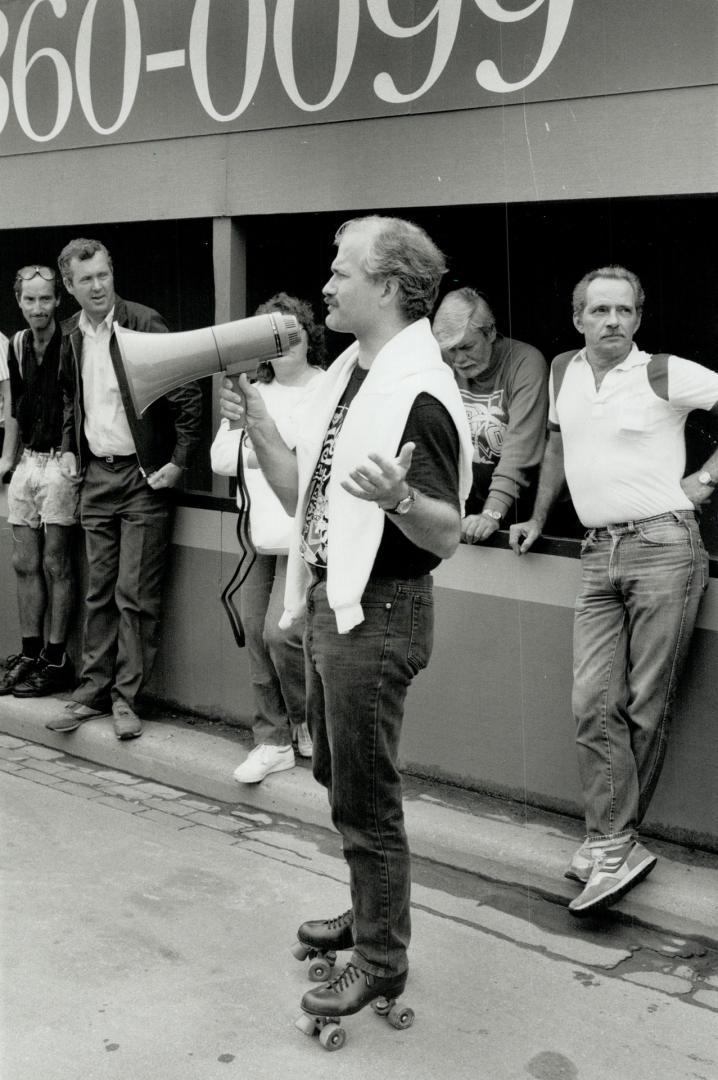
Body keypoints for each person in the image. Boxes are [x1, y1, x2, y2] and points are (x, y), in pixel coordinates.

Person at [219, 216, 472, 1022]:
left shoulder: (418, 394)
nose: (325, 286)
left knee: (365, 793)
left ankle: (381, 958)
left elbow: (448, 534)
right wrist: (256, 416)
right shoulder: (353, 375)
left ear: (389, 287)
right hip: (338, 602)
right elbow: (301, 496)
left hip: (383, 612)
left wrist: (399, 498)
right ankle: (371, 913)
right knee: (339, 776)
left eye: (340, 273)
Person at [509, 265, 718, 917]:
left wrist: (707, 478)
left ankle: (613, 841)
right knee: (591, 700)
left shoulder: (662, 371)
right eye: (600, 311)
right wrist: (540, 516)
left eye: (625, 311)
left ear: (638, 318)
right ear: (578, 319)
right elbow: (556, 445)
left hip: (665, 545)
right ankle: (610, 840)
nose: (613, 322)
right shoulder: (564, 369)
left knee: (642, 703)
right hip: (598, 554)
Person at [46, 238, 202, 740]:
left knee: (134, 596)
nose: (97, 287)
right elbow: (72, 397)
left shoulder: (143, 323)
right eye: (86, 279)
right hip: (95, 477)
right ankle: (91, 693)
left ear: (113, 274)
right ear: (69, 286)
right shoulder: (71, 333)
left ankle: (126, 699)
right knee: (98, 592)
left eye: (103, 276)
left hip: (142, 479)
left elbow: (187, 391)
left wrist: (179, 461)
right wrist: (71, 446)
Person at [211, 293, 326, 782]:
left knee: (283, 637)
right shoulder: (251, 392)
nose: (282, 345)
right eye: (270, 337)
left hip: (303, 539)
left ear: (307, 335)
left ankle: (305, 722)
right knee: (257, 635)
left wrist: (253, 441)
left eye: (291, 333)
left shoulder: (326, 388)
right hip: (260, 537)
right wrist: (270, 442)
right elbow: (220, 460)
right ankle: (273, 739)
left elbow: (311, 461)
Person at [0, 266, 79, 698]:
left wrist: (70, 454)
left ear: (57, 300)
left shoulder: (71, 341)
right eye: (29, 300)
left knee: (56, 563)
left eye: (45, 299)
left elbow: (76, 404)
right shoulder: (17, 343)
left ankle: (56, 658)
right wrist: (7, 459)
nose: (37, 308)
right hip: (27, 461)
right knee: (24, 562)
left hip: (59, 465)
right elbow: (14, 406)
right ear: (19, 301)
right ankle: (30, 653)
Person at [432, 287, 548, 543]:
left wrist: (491, 512)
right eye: (451, 350)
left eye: (467, 347)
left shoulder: (525, 362)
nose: (459, 360)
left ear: (491, 332)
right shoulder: (441, 361)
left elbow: (519, 449)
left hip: (520, 512)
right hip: (463, 511)